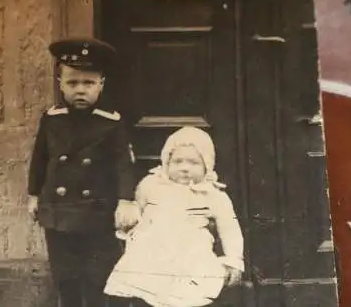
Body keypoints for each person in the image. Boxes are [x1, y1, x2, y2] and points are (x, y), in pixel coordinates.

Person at [26, 37, 141, 307]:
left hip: (97, 212)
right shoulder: (52, 118)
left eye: (88, 83)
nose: (80, 90)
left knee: (96, 276)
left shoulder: (110, 122)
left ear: (101, 84)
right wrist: (33, 195)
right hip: (58, 211)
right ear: (60, 84)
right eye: (72, 83)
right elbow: (40, 159)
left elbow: (124, 163)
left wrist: (126, 200)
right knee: (64, 276)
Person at [104, 126, 245, 307]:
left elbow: (229, 227)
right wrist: (128, 222)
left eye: (194, 163)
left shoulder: (213, 193)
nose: (185, 168)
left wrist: (233, 260)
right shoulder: (151, 184)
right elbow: (135, 209)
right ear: (166, 162)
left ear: (207, 165)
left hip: (192, 252)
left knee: (188, 294)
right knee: (147, 289)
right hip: (152, 250)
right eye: (178, 161)